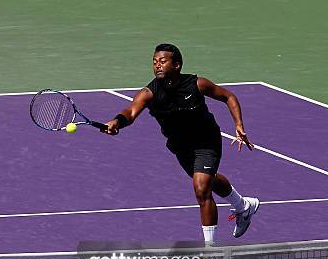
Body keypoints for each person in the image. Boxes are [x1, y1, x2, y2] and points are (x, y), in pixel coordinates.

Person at [104, 44, 258, 246]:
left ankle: (210, 251)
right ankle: (243, 205)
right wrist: (117, 121)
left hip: (206, 140)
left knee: (202, 188)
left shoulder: (197, 84)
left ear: (176, 65)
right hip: (180, 147)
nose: (157, 65)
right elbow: (131, 112)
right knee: (207, 181)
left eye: (162, 61)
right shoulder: (149, 93)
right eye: (154, 61)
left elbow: (228, 96)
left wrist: (238, 124)